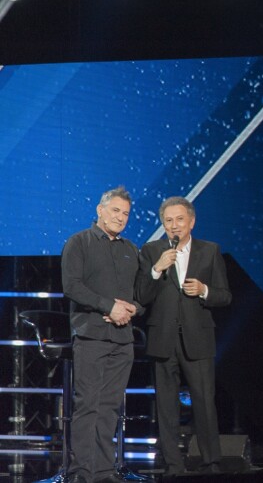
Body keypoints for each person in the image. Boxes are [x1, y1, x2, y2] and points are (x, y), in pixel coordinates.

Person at [135, 196, 231, 476]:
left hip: (197, 338)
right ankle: (172, 465)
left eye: (179, 220)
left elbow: (224, 296)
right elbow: (141, 295)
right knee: (166, 406)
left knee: (204, 401)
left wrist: (203, 290)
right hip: (162, 338)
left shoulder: (210, 251)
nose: (174, 226)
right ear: (163, 224)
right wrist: (156, 269)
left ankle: (211, 462)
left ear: (191, 222)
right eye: (168, 221)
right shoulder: (151, 251)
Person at [61, 186, 141, 483]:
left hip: (123, 339)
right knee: (89, 405)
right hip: (92, 335)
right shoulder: (79, 242)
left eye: (126, 214)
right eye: (115, 211)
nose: (120, 218)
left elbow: (141, 292)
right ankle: (82, 473)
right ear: (100, 209)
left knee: (109, 408)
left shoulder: (130, 249)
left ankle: (105, 472)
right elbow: (72, 286)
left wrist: (133, 309)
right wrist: (108, 306)